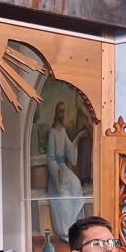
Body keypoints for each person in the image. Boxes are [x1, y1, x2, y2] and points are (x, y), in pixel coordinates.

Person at [46, 100, 88, 238]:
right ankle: (67, 230)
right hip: (56, 174)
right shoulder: (52, 132)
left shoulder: (63, 131)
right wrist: (56, 171)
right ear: (56, 113)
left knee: (76, 182)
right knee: (64, 197)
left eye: (63, 111)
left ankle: (76, 226)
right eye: (60, 111)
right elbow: (51, 157)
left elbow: (69, 150)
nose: (62, 114)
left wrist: (77, 138)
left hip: (63, 168)